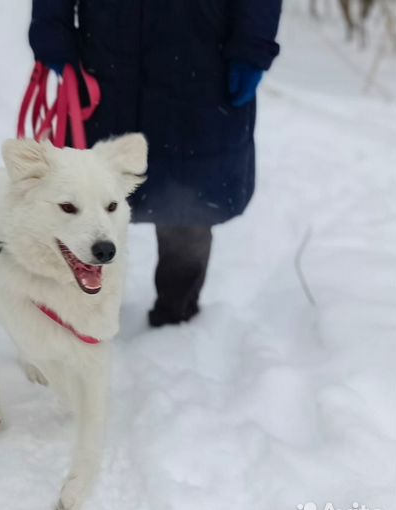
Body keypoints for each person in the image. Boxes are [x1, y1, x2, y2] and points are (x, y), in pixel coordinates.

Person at [28, 0, 282, 326]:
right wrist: (52, 30)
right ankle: (82, 311)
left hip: (202, 61)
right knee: (89, 202)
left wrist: (252, 46)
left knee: (189, 207)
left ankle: (177, 315)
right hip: (106, 62)